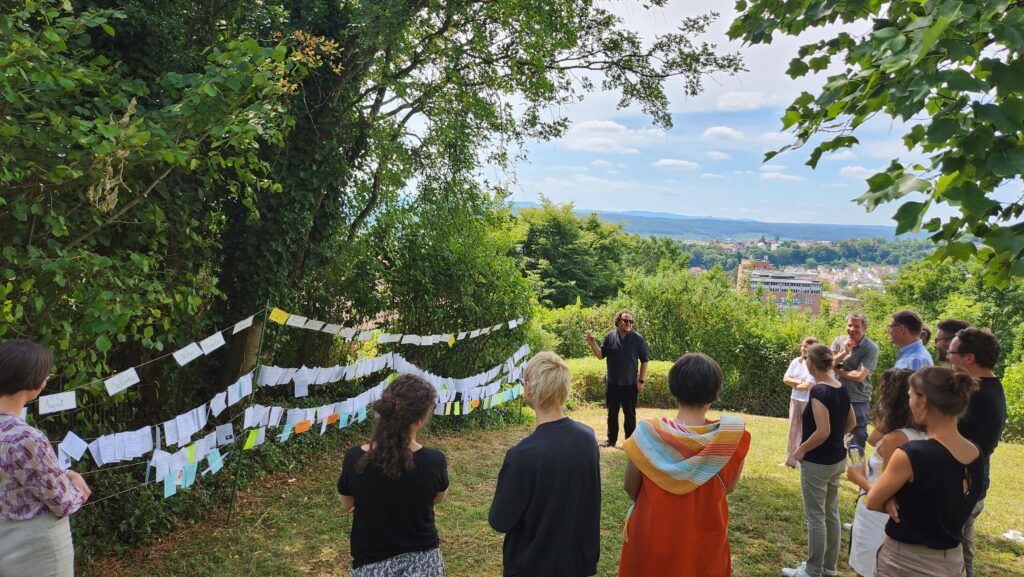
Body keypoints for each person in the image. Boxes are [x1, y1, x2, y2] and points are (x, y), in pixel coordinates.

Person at [618, 353, 751, 577]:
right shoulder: (732, 438)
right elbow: (729, 486)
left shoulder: (647, 435)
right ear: (715, 393)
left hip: (652, 532)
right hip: (706, 537)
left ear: (674, 389)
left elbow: (631, 487)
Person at [489, 351, 600, 577]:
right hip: (577, 565)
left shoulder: (522, 456)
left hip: (532, 566)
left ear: (529, 389)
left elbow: (500, 520)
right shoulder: (588, 438)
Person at [866, 367, 984, 577]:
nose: (909, 403)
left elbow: (873, 501)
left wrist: (891, 498)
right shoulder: (975, 452)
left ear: (924, 400)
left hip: (905, 561)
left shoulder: (912, 454)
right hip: (951, 562)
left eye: (910, 396)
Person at [338, 374, 449, 577]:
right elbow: (439, 498)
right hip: (425, 565)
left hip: (371, 567)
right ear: (421, 420)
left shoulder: (354, 457)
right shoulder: (435, 461)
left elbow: (347, 504)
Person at [0, 340, 90, 577]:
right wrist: (75, 483)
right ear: (33, 382)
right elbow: (63, 501)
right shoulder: (25, 438)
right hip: (34, 551)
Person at [782, 344, 856, 577]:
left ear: (811, 364)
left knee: (816, 517)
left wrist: (800, 450)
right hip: (836, 460)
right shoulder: (840, 388)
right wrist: (836, 438)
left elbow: (822, 431)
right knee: (831, 513)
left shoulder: (819, 391)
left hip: (818, 463)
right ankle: (829, 568)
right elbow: (851, 422)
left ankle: (813, 570)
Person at [846, 369, 927, 577]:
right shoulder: (919, 431)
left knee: (867, 570)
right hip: (893, 519)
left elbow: (888, 495)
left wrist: (858, 477)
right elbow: (872, 442)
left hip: (877, 517)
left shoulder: (897, 439)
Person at [947, 328, 1007, 577]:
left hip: (962, 487)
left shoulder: (979, 396)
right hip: (971, 485)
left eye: (951, 352)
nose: (948, 358)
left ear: (969, 358)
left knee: (954, 553)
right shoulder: (988, 387)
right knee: (963, 550)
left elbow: (965, 448)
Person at [585, 310, 650, 448]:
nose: (629, 324)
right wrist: (592, 343)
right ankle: (611, 440)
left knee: (630, 415)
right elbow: (600, 355)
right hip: (612, 383)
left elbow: (645, 361)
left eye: (631, 321)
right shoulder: (609, 337)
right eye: (626, 321)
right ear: (618, 321)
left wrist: (641, 381)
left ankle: (630, 442)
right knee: (612, 414)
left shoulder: (638, 339)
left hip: (630, 384)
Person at [830, 313, 879, 450]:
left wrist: (838, 370)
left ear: (865, 328)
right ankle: (834, 467)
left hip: (857, 400)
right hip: (835, 396)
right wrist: (844, 352)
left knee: (855, 441)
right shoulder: (839, 340)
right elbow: (828, 363)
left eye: (856, 326)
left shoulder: (871, 348)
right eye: (849, 325)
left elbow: (859, 376)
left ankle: (856, 468)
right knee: (832, 433)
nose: (852, 329)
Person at [782, 337, 818, 468]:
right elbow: (785, 379)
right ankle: (790, 460)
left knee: (805, 431)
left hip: (808, 401)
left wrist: (795, 382)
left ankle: (802, 462)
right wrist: (800, 383)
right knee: (793, 430)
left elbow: (807, 386)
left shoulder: (814, 365)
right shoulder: (796, 361)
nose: (804, 349)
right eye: (803, 346)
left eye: (807, 347)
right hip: (795, 399)